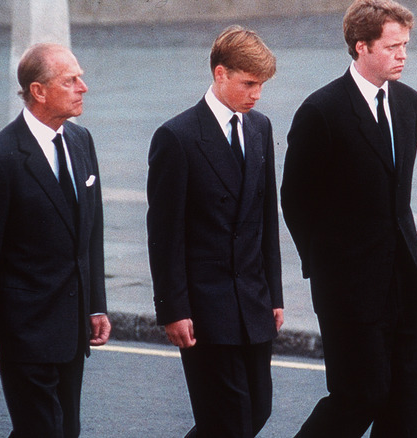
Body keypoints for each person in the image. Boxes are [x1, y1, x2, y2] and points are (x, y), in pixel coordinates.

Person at [281, 1, 417, 436]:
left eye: (405, 45)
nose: (403, 55)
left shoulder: (410, 103)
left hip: (404, 279)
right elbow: (295, 200)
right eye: (392, 47)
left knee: (409, 407)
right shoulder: (322, 111)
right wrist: (327, 267)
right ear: (361, 46)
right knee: (359, 396)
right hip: (349, 288)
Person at [0, 42, 109, 437]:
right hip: (25, 331)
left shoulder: (80, 141)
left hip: (72, 330)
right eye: (71, 80)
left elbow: (90, 233)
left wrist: (95, 305)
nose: (83, 87)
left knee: (63, 431)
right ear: (38, 91)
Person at [146, 25, 283, 438]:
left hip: (253, 302)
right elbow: (164, 234)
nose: (257, 93)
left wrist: (274, 294)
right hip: (204, 308)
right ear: (220, 73)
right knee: (230, 420)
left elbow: (266, 220)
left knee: (256, 412)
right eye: (249, 83)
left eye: (262, 85)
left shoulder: (260, 128)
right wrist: (173, 308)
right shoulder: (177, 137)